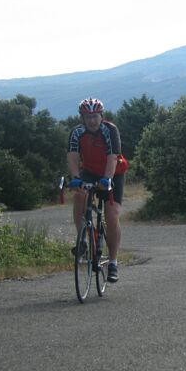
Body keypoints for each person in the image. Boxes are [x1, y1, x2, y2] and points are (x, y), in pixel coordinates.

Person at [67, 97, 127, 282]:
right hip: (90, 171)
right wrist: (76, 178)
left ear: (101, 116)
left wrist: (107, 180)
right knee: (79, 196)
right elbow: (72, 157)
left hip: (113, 172)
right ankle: (83, 239)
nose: (92, 120)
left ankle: (113, 262)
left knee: (111, 214)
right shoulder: (76, 133)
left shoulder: (110, 130)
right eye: (88, 117)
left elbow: (112, 157)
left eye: (95, 116)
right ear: (82, 118)